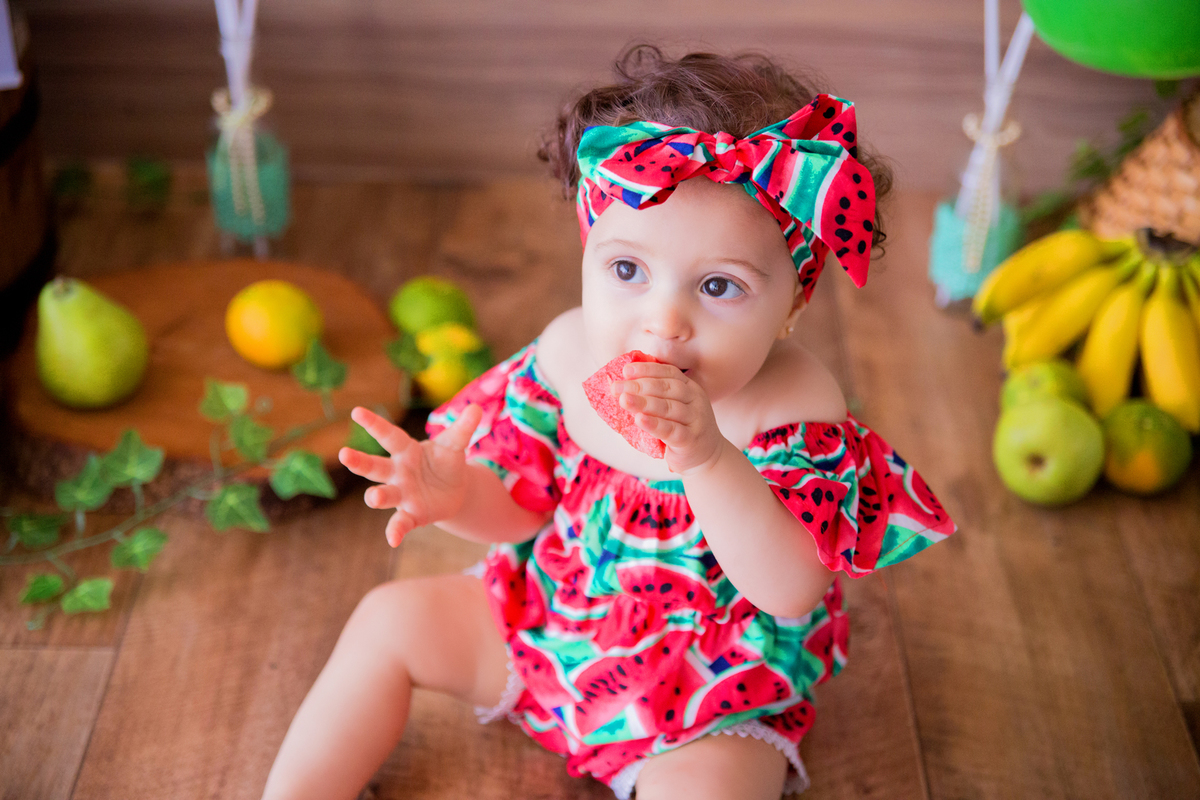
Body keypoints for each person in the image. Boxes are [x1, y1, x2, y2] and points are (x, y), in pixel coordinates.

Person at [262, 45, 956, 800]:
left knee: (712, 790)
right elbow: (527, 507)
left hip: (706, 692)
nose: (663, 321)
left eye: (719, 286)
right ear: (589, 250)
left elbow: (790, 589)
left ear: (791, 305)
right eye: (627, 271)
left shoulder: (795, 412)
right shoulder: (566, 355)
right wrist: (457, 496)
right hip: (547, 624)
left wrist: (708, 459)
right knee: (389, 618)